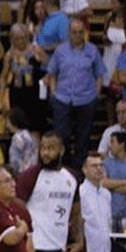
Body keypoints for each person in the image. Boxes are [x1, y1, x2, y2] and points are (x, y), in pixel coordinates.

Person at [47, 18, 105, 170]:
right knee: (62, 136)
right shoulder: (60, 50)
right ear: (69, 33)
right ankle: (63, 169)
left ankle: (79, 172)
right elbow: (52, 73)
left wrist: (96, 95)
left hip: (86, 100)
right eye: (74, 32)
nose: (77, 35)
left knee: (83, 139)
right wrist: (53, 93)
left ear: (84, 33)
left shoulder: (92, 50)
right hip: (62, 99)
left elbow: (99, 74)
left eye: (80, 32)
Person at [0, 24, 46, 131]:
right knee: (18, 126)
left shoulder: (36, 50)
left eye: (23, 38)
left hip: (34, 94)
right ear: (12, 39)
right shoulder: (9, 55)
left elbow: (48, 67)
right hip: (17, 94)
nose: (20, 41)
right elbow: (3, 76)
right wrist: (2, 96)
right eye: (16, 39)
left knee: (36, 126)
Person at [101, 131, 126, 229]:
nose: (110, 145)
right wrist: (125, 182)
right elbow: (102, 183)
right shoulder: (106, 163)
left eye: (112, 142)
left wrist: (111, 186)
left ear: (122, 144)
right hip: (109, 214)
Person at [8, 107, 39, 175]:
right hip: (33, 172)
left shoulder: (17, 138)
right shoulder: (31, 136)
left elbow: (14, 162)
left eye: (8, 121)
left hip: (22, 173)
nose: (6, 124)